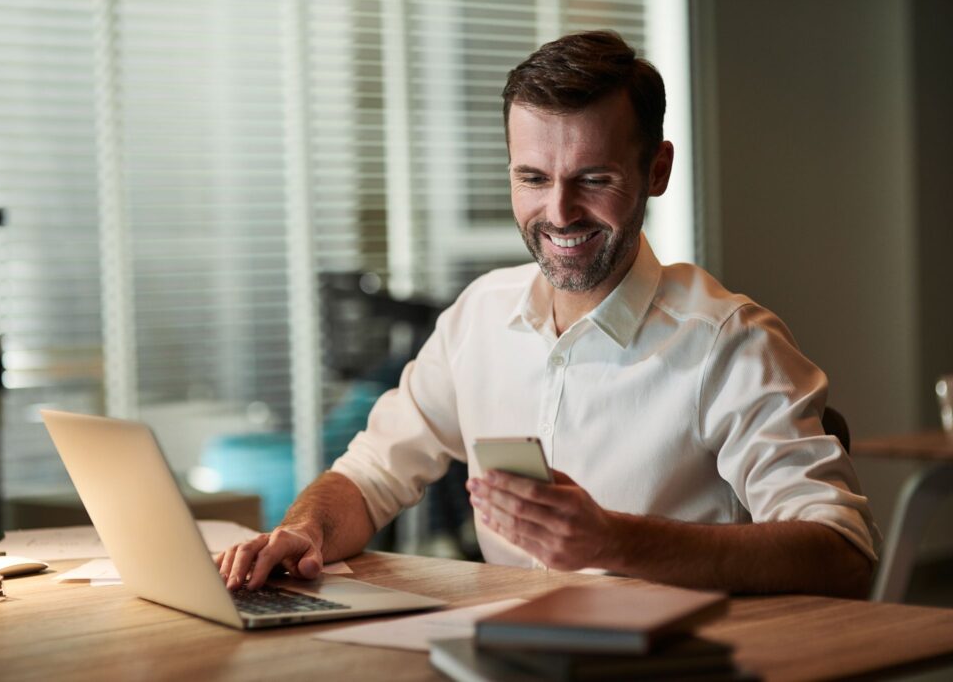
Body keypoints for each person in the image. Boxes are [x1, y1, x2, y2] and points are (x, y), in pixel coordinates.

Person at [217, 30, 879, 598]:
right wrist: (303, 532)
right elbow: (369, 475)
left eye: (593, 179)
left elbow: (844, 553)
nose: (559, 214)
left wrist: (617, 542)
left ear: (656, 170)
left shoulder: (728, 344)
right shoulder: (480, 317)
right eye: (533, 178)